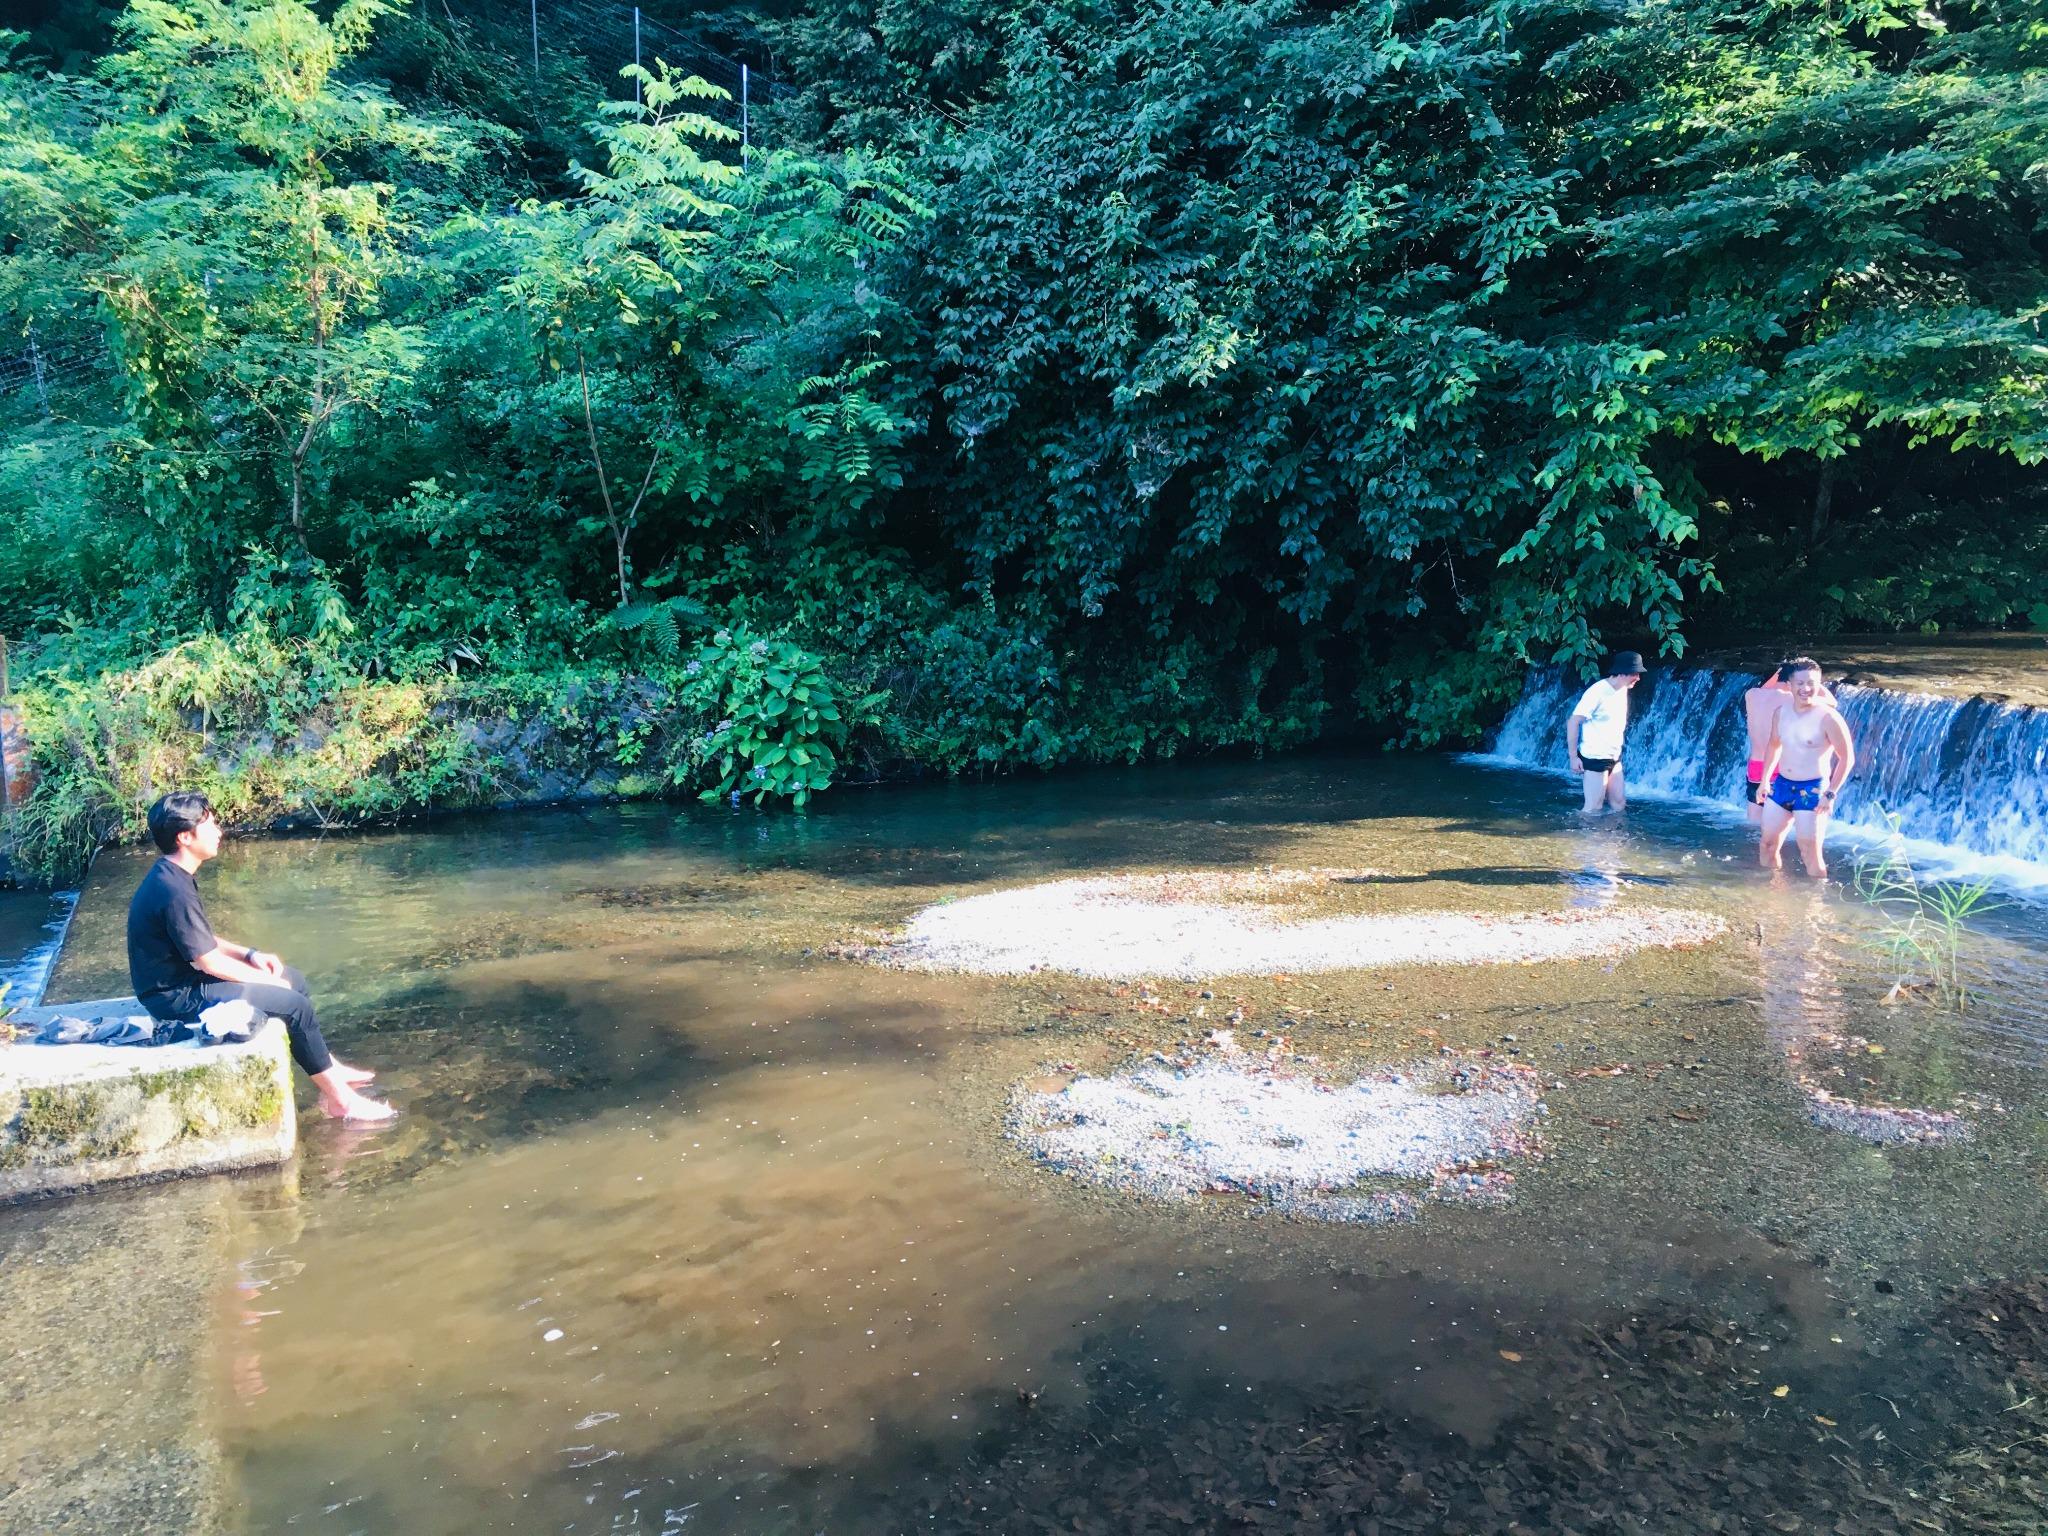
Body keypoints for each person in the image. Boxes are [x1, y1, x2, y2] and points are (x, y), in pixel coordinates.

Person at [127, 791, 394, 1121]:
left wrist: (251, 954)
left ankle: (329, 1067)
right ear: (185, 836)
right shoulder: (171, 889)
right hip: (174, 997)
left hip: (183, 982)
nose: (219, 831)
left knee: (293, 979)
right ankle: (342, 1102)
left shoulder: (172, 875)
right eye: (210, 824)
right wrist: (266, 981)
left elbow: (201, 939)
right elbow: (208, 961)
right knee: (294, 1004)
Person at [1757, 658, 1856, 880]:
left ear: (1819, 684)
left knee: (1810, 852)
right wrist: (1764, 780)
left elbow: (1847, 758)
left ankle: (1815, 907)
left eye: (1811, 683)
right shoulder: (1781, 713)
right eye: (1800, 683)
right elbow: (1773, 745)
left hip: (1813, 790)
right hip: (1781, 785)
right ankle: (1772, 894)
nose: (1806, 689)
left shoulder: (1829, 718)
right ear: (1790, 685)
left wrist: (1830, 793)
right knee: (1767, 844)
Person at [1742, 662, 1837, 822]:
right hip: (1780, 768)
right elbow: (1832, 702)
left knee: (1754, 820)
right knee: (1783, 822)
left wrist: (1780, 671)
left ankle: (1751, 846)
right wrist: (1813, 681)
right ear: (1791, 683)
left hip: (1755, 767)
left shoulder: (1752, 694)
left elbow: (1768, 687)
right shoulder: (1790, 699)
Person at [1565, 651, 1646, 813]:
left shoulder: (1622, 689)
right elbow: (1573, 722)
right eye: (1635, 674)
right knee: (1594, 808)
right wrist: (1573, 757)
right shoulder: (1597, 692)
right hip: (1595, 758)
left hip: (1614, 758)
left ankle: (1612, 838)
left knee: (1619, 804)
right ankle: (1581, 837)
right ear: (1622, 672)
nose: (1638, 678)